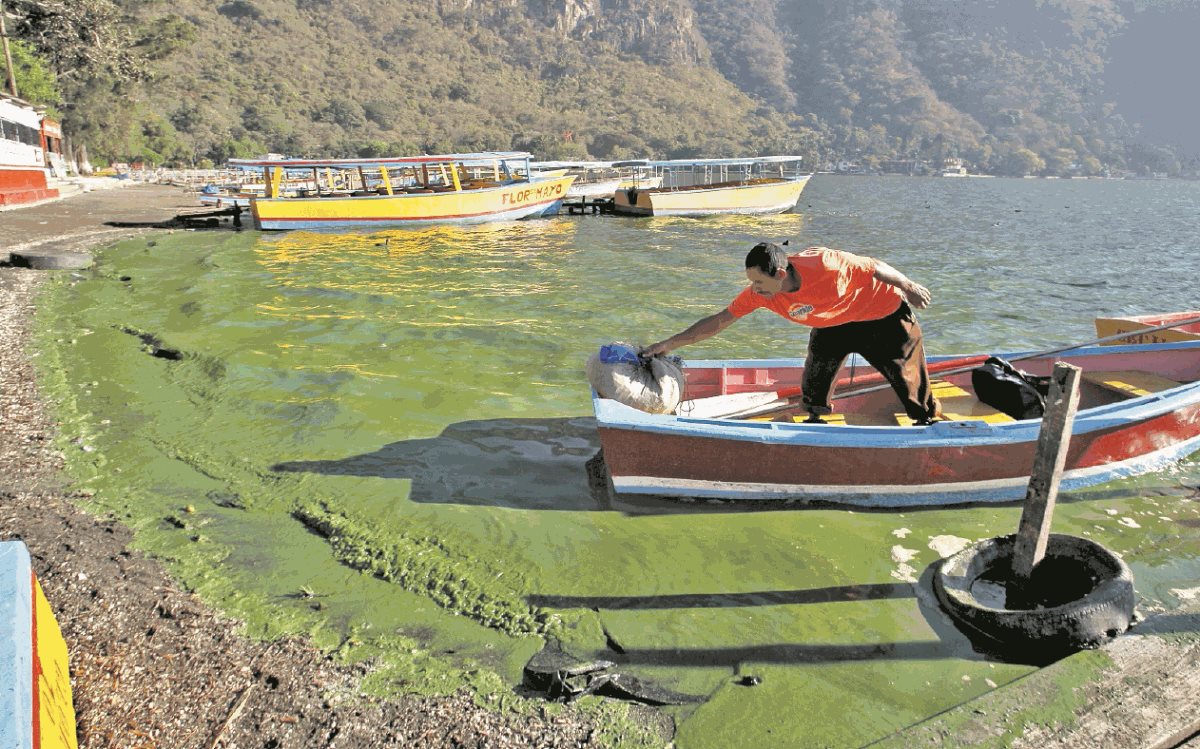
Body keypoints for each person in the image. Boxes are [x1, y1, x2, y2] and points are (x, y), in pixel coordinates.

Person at [641, 241, 941, 425]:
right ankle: (816, 420)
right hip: (833, 323)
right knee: (816, 377)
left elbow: (875, 266)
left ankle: (928, 421)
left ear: (781, 274)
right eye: (752, 283)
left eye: (759, 283)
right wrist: (667, 344)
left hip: (881, 315)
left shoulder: (827, 265)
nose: (755, 290)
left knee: (909, 381)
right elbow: (719, 321)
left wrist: (909, 287)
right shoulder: (760, 295)